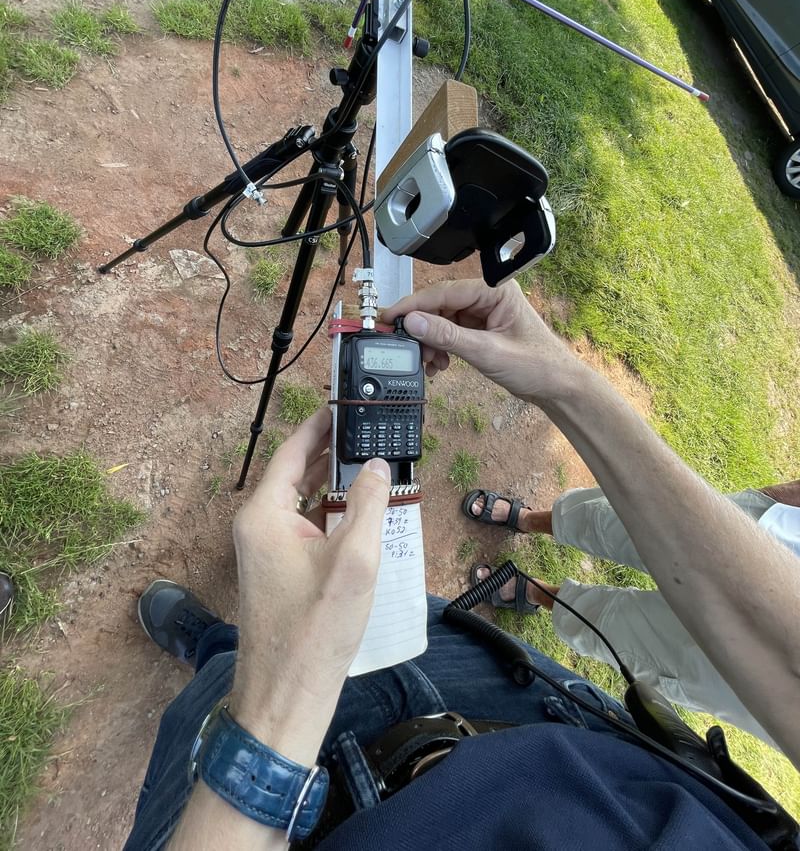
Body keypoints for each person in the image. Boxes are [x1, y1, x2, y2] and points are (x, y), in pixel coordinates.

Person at [124, 279, 800, 851]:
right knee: (388, 625)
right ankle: (229, 651)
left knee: (212, 700)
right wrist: (566, 382)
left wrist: (272, 717)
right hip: (565, 728)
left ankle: (219, 651)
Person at [463, 478, 800, 747]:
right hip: (779, 551)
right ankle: (530, 520)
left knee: (621, 633)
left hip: (767, 686)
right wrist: (771, 504)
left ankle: (536, 593)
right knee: (632, 525)